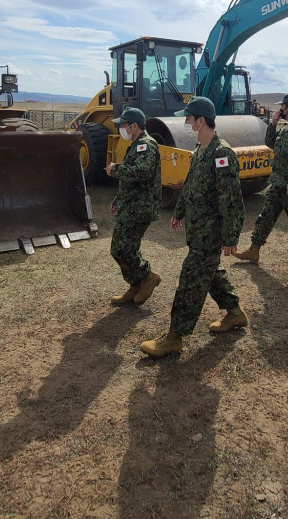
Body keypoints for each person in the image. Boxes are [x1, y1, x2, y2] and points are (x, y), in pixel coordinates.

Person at [140, 96, 247, 359]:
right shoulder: (200, 150)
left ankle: (175, 337)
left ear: (200, 121)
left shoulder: (222, 154)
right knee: (209, 273)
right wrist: (180, 211)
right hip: (197, 229)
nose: (185, 122)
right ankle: (234, 313)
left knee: (190, 279)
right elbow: (191, 184)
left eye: (188, 118)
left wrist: (231, 237)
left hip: (210, 233)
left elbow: (231, 200)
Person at [232, 93, 288, 269]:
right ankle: (253, 250)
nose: (280, 110)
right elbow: (269, 143)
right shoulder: (285, 130)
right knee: (265, 217)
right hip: (277, 183)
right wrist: (272, 124)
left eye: (282, 107)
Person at [106, 107, 162, 306]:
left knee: (123, 249)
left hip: (139, 208)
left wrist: (115, 169)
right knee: (123, 249)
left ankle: (147, 277)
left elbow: (142, 171)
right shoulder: (137, 144)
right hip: (130, 205)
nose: (121, 129)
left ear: (134, 126)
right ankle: (136, 284)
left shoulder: (147, 145)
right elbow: (131, 179)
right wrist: (118, 200)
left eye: (123, 125)